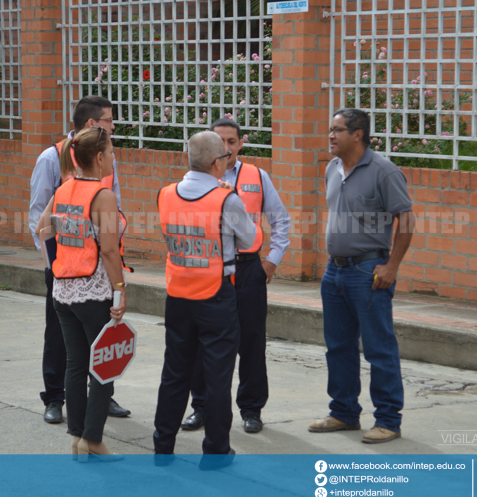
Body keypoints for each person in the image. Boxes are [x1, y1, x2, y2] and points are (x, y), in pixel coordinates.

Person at [308, 108, 416, 444]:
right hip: (334, 271)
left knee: (378, 348)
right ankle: (343, 412)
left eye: (337, 130)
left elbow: (407, 221)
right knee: (338, 346)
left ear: (358, 134)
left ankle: (387, 419)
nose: (331, 136)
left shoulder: (384, 171)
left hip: (369, 272)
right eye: (330, 129)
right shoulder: (332, 168)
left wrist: (391, 266)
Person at [181, 119, 290, 434]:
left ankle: (251, 408)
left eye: (231, 141)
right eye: (220, 142)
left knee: (252, 340)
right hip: (209, 269)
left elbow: (280, 220)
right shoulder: (199, 179)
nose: (226, 148)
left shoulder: (257, 176)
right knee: (205, 341)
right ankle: (201, 406)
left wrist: (271, 262)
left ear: (241, 143)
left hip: (248, 269)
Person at [153, 131, 256, 464]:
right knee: (217, 376)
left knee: (175, 373)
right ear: (217, 163)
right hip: (216, 296)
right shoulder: (227, 199)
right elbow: (251, 239)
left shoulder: (166, 194)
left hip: (178, 293)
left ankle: (163, 447)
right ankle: (215, 451)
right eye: (225, 157)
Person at [28, 96, 130, 424]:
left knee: (88, 349)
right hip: (69, 268)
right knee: (69, 341)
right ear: (91, 126)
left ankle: (95, 405)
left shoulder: (92, 174)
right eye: (109, 121)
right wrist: (54, 261)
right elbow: (38, 221)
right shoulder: (52, 159)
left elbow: (53, 224)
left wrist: (79, 227)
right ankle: (57, 400)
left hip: (85, 270)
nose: (113, 126)